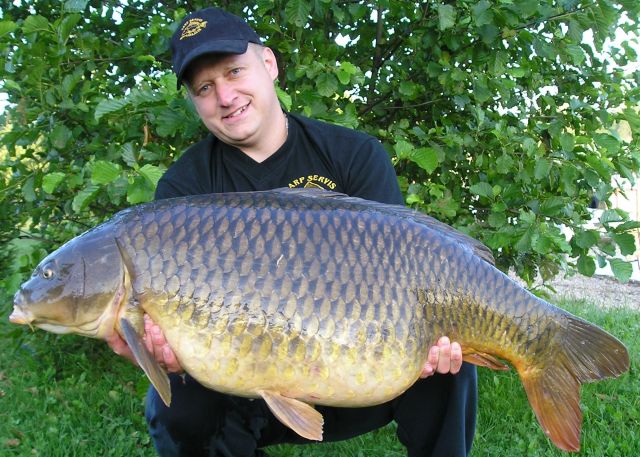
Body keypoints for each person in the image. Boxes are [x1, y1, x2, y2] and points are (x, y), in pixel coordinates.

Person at [107, 7, 477, 457]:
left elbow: (408, 270)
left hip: (359, 371)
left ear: (269, 65)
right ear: (193, 101)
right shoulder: (186, 190)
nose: (225, 96)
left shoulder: (354, 156)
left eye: (234, 71)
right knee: (176, 407)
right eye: (205, 87)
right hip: (245, 386)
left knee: (450, 362)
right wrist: (161, 353)